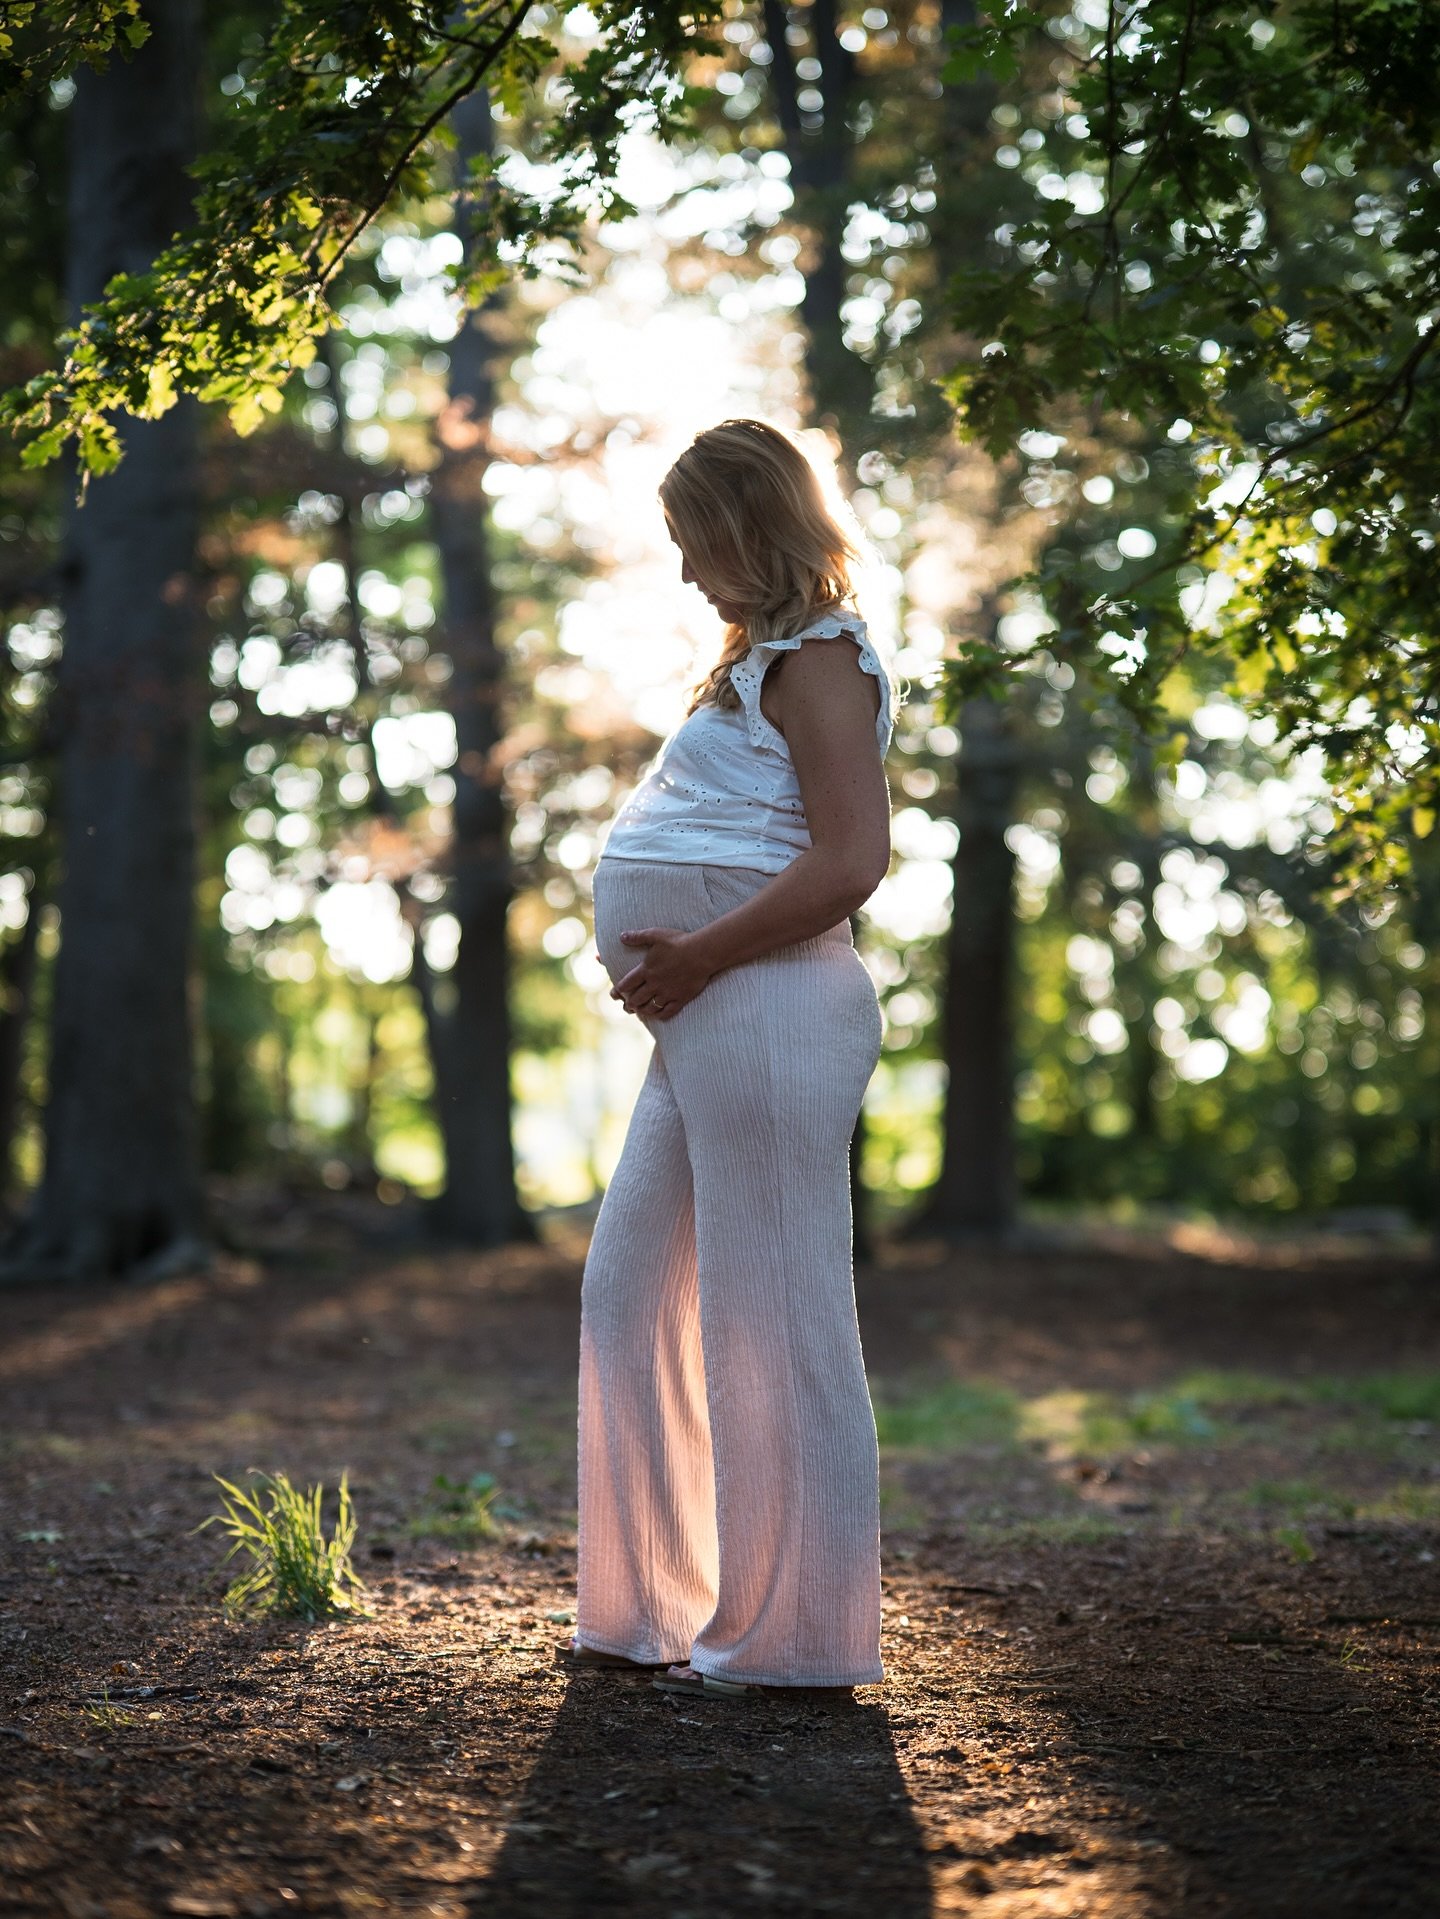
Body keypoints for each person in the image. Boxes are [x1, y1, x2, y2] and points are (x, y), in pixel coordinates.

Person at [567, 417, 896, 1701]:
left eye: (697, 542)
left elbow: (851, 860)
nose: (688, 571)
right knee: (630, 1291)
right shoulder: (757, 658)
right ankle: (648, 1603)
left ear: (753, 526)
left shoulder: (823, 656)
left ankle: (798, 1638)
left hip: (768, 1003)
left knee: (775, 1324)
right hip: (714, 1014)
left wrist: (698, 951)